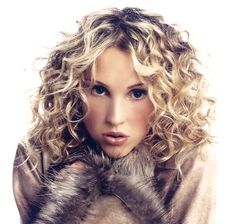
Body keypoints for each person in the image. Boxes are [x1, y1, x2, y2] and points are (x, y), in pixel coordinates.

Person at [13, 7, 217, 224]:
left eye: (137, 93)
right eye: (99, 90)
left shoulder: (188, 161)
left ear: (166, 95)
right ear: (73, 90)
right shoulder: (39, 154)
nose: (115, 118)